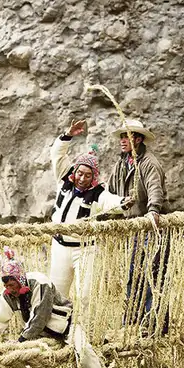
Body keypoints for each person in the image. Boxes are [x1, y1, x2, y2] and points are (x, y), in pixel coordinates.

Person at [0, 248, 118, 368]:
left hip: (66, 327)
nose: (9, 288)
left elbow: (40, 316)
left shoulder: (40, 282)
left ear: (20, 279)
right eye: (6, 285)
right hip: (38, 336)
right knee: (13, 356)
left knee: (83, 349)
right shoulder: (8, 295)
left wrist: (21, 340)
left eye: (11, 284)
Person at [49, 121, 134, 310]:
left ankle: (85, 326)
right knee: (57, 294)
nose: (82, 178)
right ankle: (59, 325)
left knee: (86, 295)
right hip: (59, 245)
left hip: (85, 249)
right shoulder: (64, 179)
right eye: (80, 173)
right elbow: (57, 154)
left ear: (93, 177)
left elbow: (110, 202)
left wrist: (123, 202)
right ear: (75, 171)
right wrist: (68, 134)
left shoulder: (97, 193)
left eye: (87, 175)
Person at [105, 119, 168, 328]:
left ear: (138, 139)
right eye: (122, 136)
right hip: (132, 227)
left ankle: (154, 322)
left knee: (152, 273)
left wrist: (153, 210)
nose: (122, 140)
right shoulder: (122, 164)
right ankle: (133, 318)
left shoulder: (149, 163)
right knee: (133, 274)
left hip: (149, 226)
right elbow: (110, 192)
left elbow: (155, 188)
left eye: (127, 136)